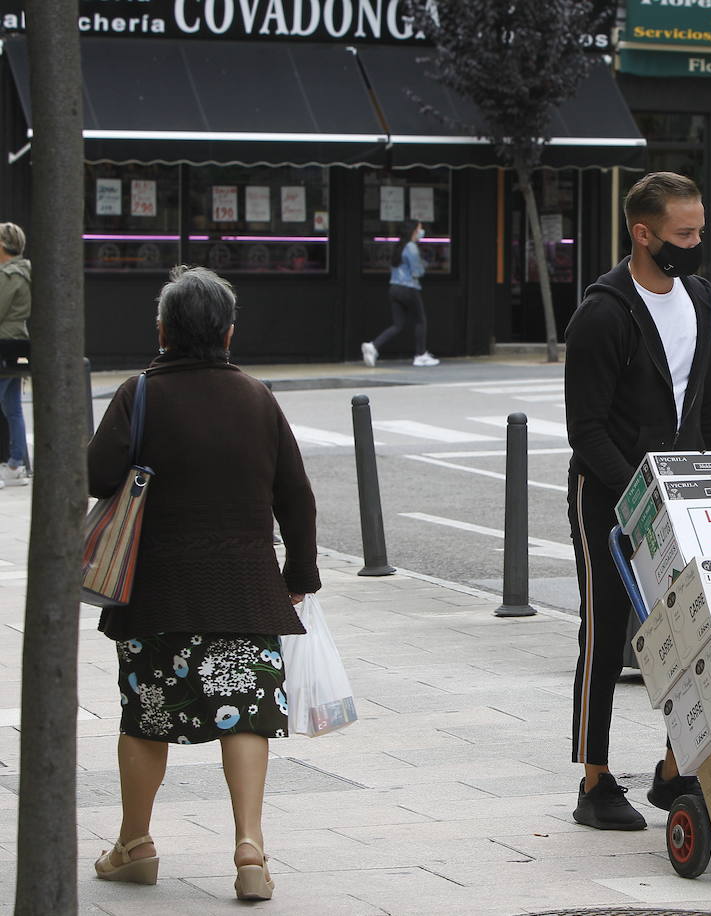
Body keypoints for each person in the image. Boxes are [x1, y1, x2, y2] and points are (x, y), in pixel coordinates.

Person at [87, 266, 319, 901]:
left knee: (145, 717)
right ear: (229, 332)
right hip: (243, 588)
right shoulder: (257, 397)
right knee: (244, 713)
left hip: (154, 590)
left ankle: (135, 845)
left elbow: (97, 473)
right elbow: (296, 498)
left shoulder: (139, 394)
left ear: (162, 330)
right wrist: (299, 576)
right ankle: (250, 849)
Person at [563, 172, 711, 830]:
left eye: (699, 232)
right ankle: (595, 780)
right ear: (643, 233)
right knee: (608, 633)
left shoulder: (701, 298)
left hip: (683, 491)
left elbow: (707, 405)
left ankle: (673, 769)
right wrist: (639, 499)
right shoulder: (602, 313)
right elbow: (587, 429)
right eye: (683, 234)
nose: (694, 244)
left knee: (688, 631)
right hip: (608, 494)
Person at [361, 219, 439, 368]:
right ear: (413, 231)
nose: (421, 232)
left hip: (394, 288)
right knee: (420, 320)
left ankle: (373, 346)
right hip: (409, 288)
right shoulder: (411, 247)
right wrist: (426, 264)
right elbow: (417, 271)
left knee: (398, 324)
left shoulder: (399, 246)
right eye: (420, 229)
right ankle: (420, 355)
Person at [0, 222, 31, 487]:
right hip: (17, 340)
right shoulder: (26, 271)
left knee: (11, 407)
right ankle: (15, 463)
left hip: (4, 341)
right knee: (12, 407)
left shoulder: (9, 275)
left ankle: (14, 463)